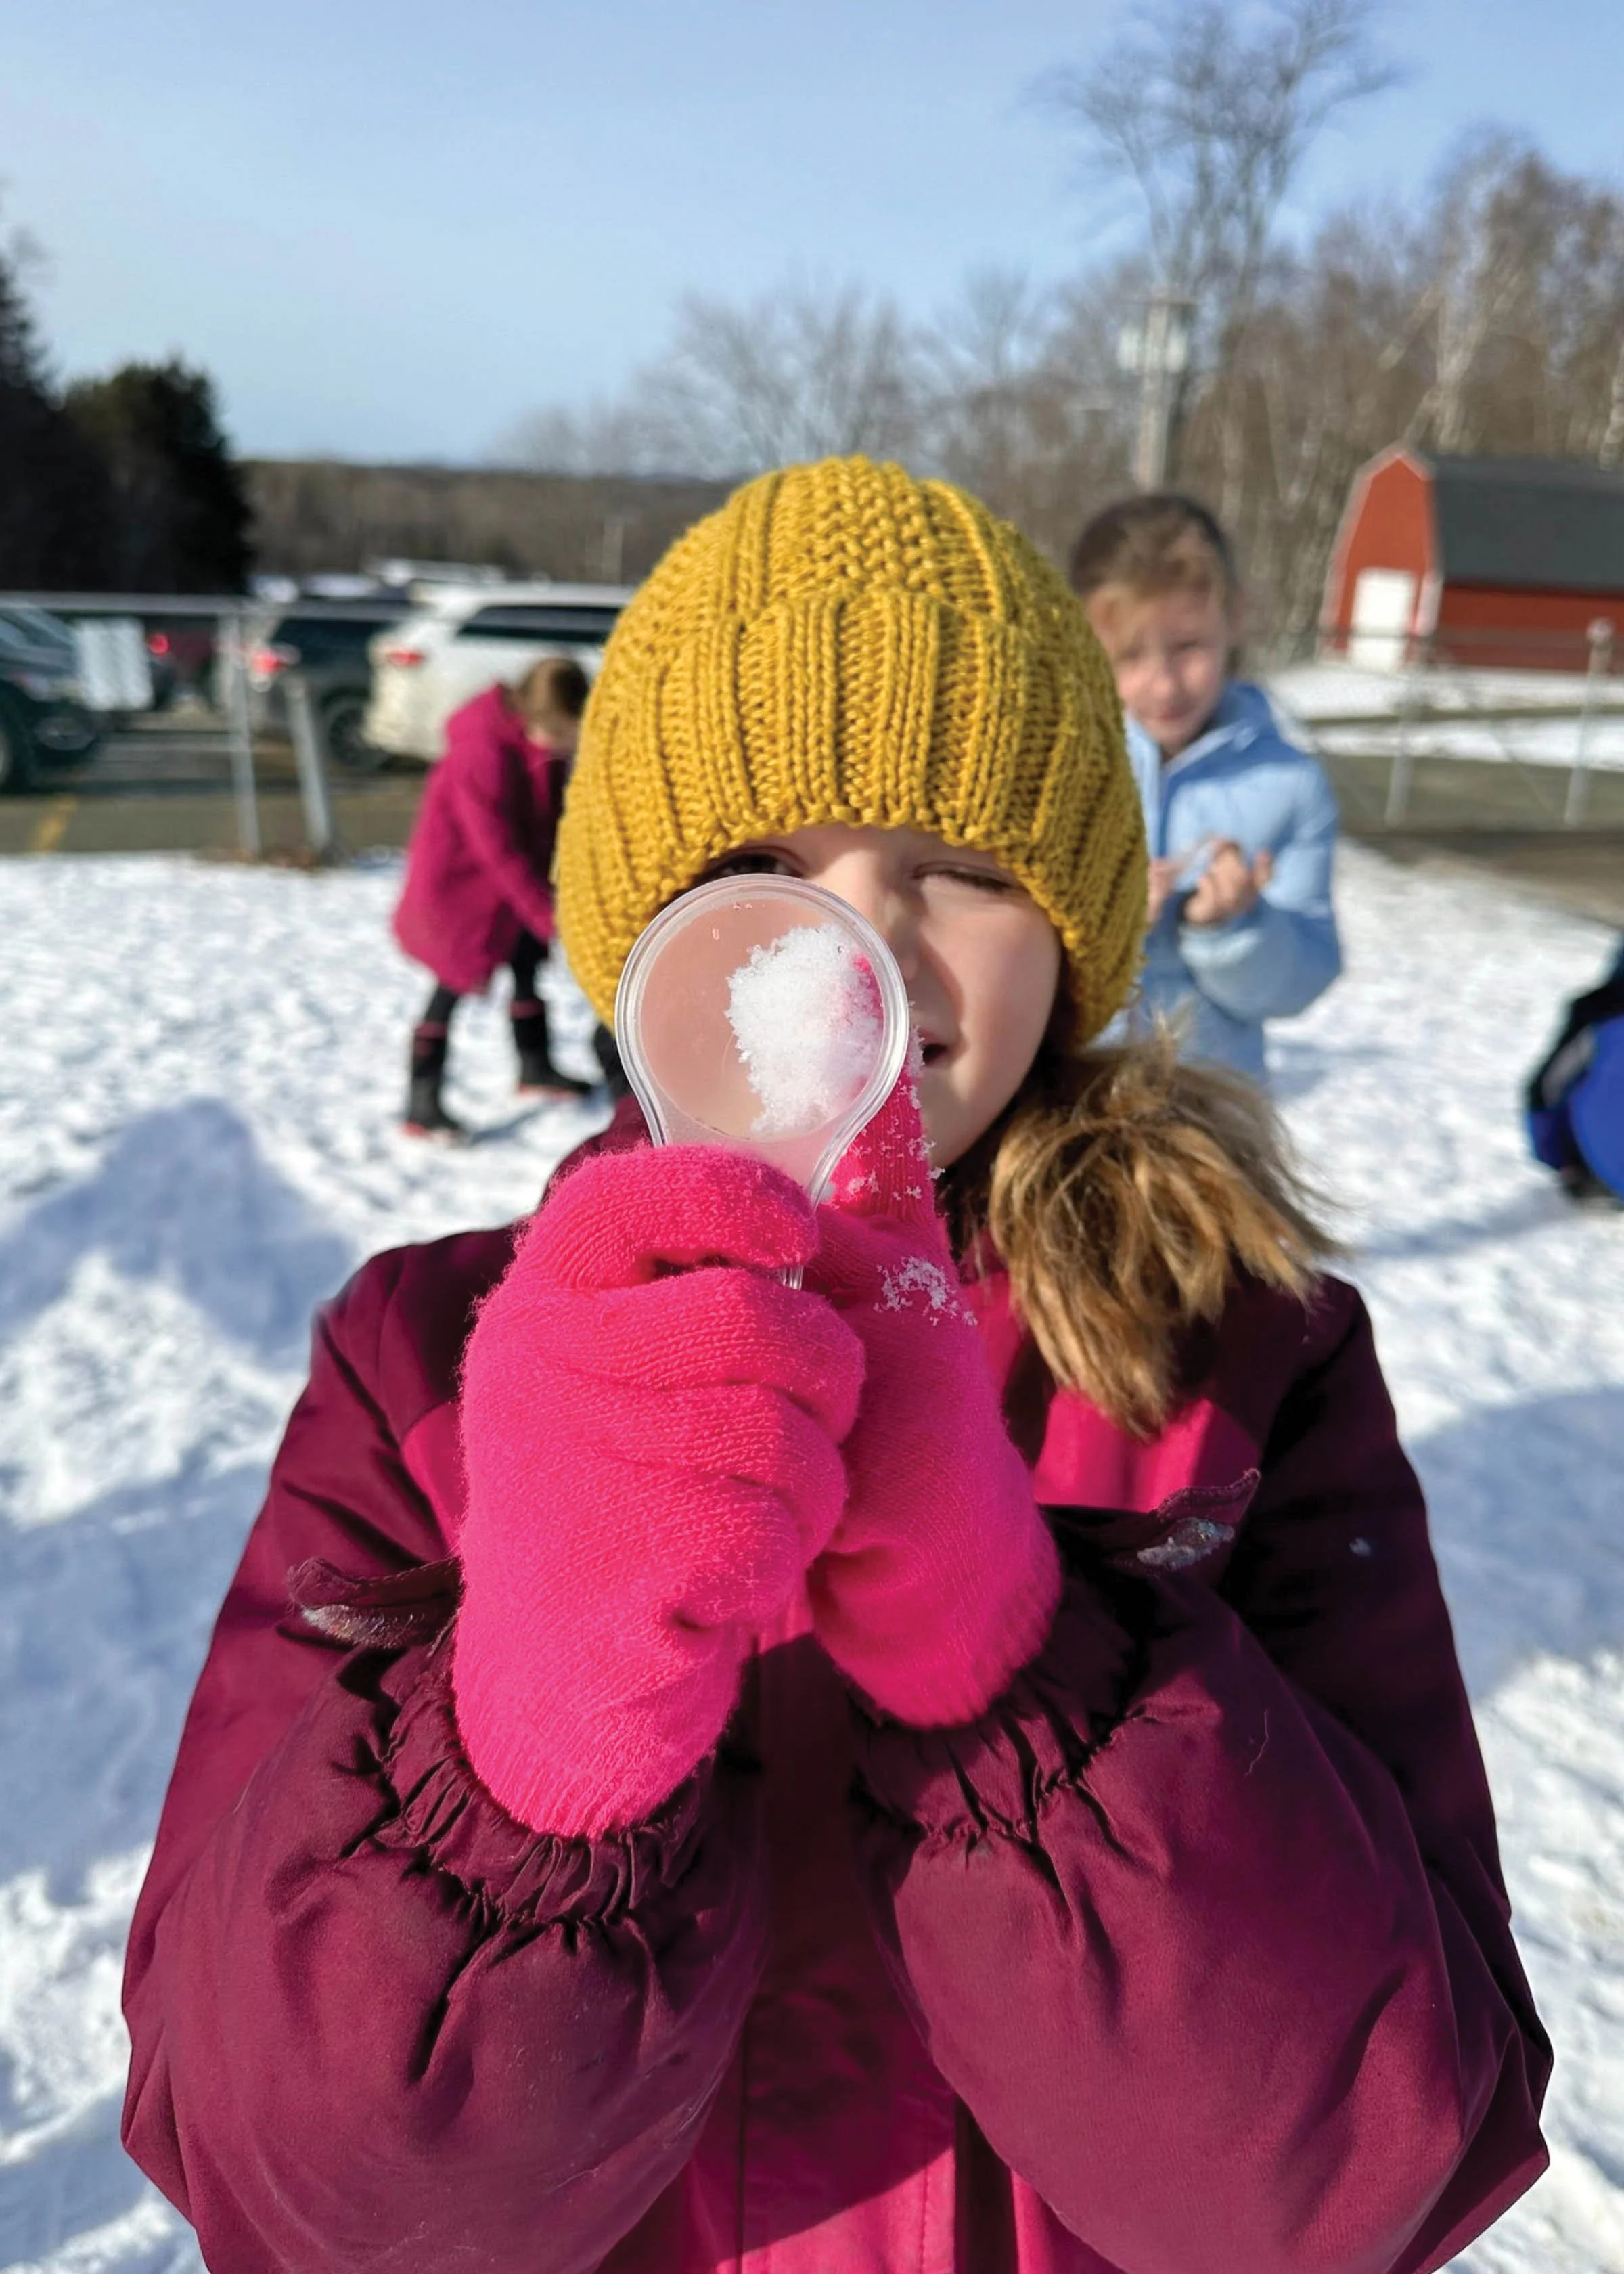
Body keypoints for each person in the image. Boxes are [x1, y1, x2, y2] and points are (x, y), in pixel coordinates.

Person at [123, 458, 1548, 2274]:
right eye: (756, 880)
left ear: (1077, 936)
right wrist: (533, 1757)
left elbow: (1362, 2186)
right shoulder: (417, 1361)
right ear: (638, 948)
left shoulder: (1244, 1366)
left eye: (960, 871)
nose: (858, 949)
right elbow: (281, 2188)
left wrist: (1019, 1667)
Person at [1070, 493, 1341, 1084]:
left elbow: (1304, 977)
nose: (1164, 685)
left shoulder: (1289, 785)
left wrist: (1233, 928)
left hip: (1214, 1110)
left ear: (1235, 617)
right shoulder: (1063, 763)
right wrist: (1106, 922)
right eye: (1130, 656)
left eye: (1189, 646)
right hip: (1068, 1098)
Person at [392, 653, 597, 1138]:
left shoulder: (533, 742)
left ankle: (535, 1067)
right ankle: (421, 1104)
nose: (568, 748)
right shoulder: (481, 751)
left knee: (527, 967)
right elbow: (495, 846)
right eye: (564, 736)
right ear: (537, 719)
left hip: (511, 888)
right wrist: (546, 915)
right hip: (461, 891)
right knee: (450, 988)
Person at [1527, 933, 1624, 1203]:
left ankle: (1581, 1169)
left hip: (1604, 1174)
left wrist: (1560, 1161)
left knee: (1573, 1083)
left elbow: (1543, 1091)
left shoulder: (1597, 1017)